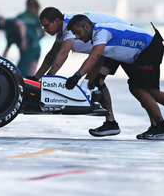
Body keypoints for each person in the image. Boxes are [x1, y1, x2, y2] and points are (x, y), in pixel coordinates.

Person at [66, 14, 164, 140]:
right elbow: (100, 61)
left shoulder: (101, 32)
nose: (77, 38)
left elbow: (93, 57)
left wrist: (76, 76)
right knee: (136, 88)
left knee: (145, 90)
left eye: (77, 33)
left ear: (86, 26)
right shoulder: (99, 35)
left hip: (149, 48)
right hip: (139, 54)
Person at [34, 7, 129, 137]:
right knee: (96, 81)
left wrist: (50, 78)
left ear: (56, 21)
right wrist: (36, 77)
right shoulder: (63, 29)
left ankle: (111, 122)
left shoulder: (70, 25)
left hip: (120, 38)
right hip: (105, 45)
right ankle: (111, 122)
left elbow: (63, 53)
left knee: (96, 81)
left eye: (46, 26)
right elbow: (52, 55)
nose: (44, 30)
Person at [10, 0, 43, 76]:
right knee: (32, 74)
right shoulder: (36, 17)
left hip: (26, 44)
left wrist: (23, 40)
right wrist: (37, 40)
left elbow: (17, 28)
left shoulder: (21, 16)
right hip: (36, 45)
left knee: (21, 71)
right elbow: (43, 32)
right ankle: (32, 87)